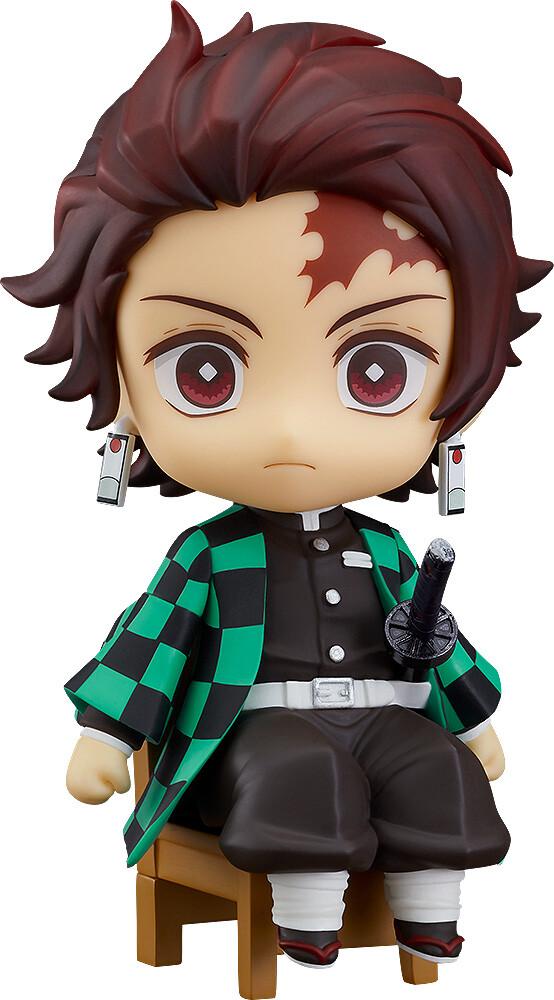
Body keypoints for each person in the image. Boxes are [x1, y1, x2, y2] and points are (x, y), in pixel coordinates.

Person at [3, 3, 550, 973]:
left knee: (438, 768)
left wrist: (472, 716)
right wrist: (105, 735)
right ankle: (306, 919)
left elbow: (436, 639)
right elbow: (151, 644)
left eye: (375, 371)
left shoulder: (386, 550)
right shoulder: (208, 556)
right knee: (300, 778)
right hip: (253, 732)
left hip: (385, 718)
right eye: (204, 370)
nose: (293, 428)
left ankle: (431, 913)